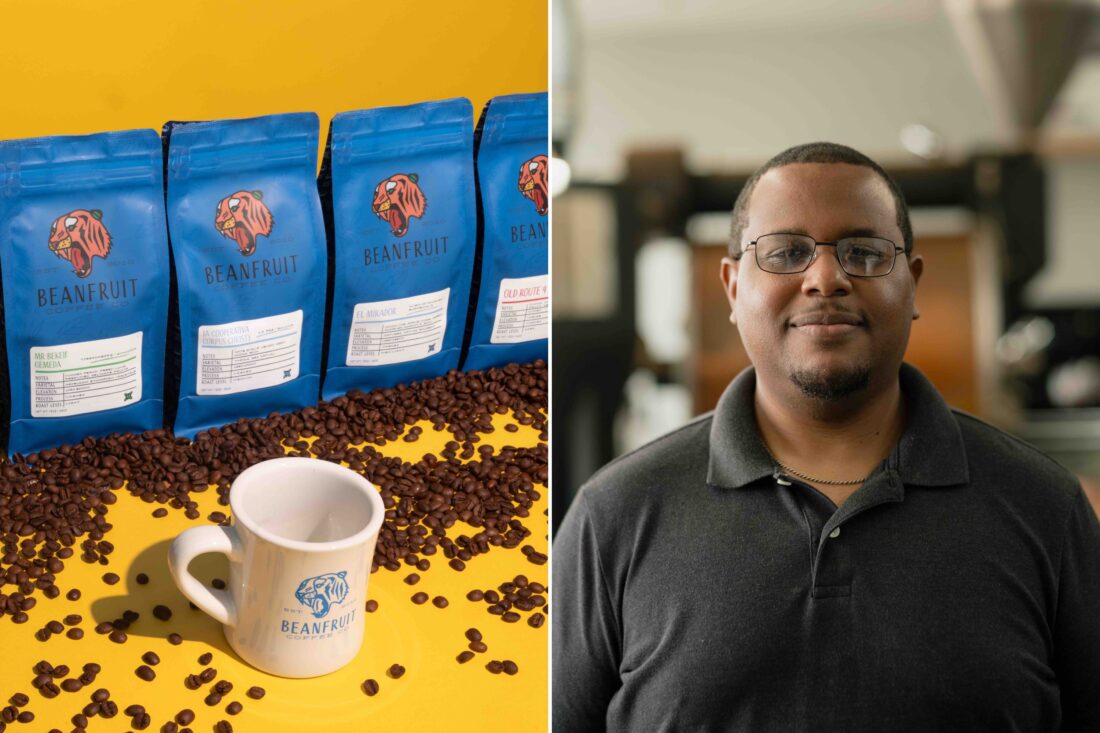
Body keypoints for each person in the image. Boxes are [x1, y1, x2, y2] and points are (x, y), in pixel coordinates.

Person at [552, 142, 1100, 732]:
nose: (825, 278)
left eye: (863, 251)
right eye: (786, 252)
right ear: (733, 287)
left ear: (912, 286)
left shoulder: (1044, 506)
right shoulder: (615, 515)